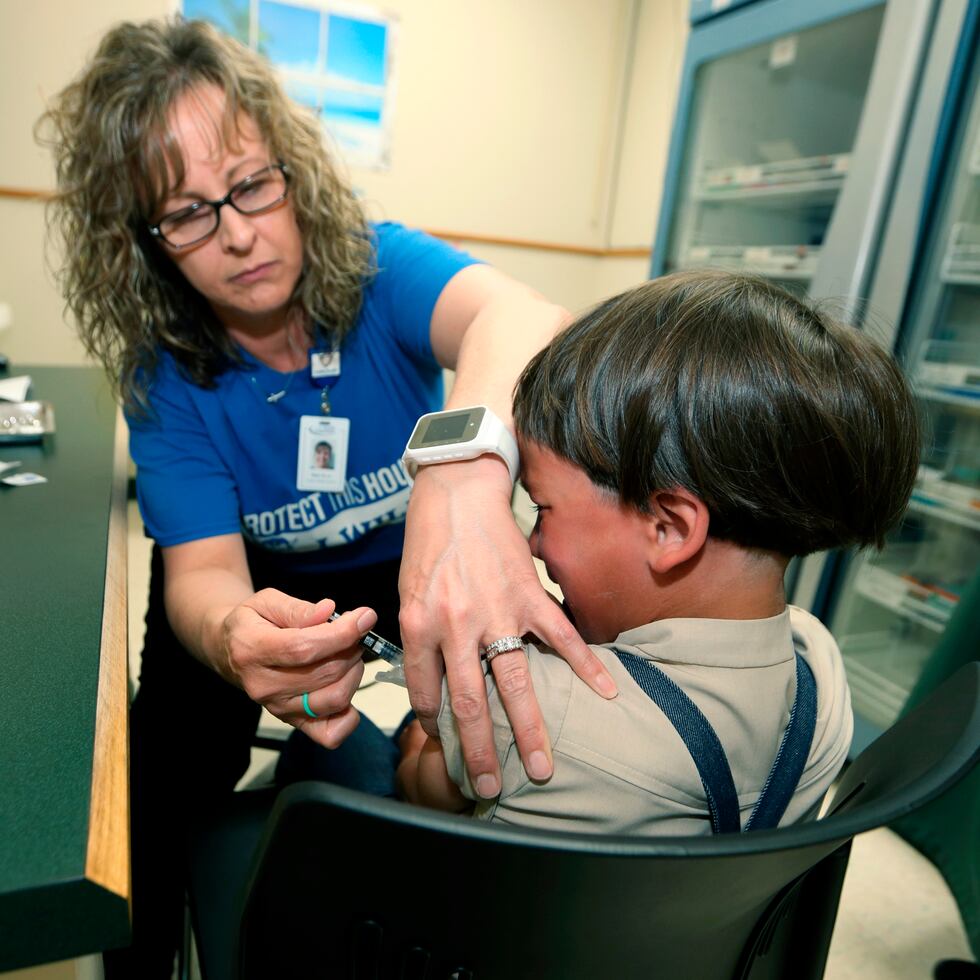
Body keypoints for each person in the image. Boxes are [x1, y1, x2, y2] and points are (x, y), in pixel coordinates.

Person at [37, 18, 615, 975]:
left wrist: (464, 476)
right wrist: (234, 637)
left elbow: (523, 315)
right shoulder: (166, 375)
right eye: (187, 213)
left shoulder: (379, 270)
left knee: (478, 753)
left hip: (408, 555)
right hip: (261, 584)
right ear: (143, 243)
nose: (238, 234)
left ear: (290, 168)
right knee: (164, 777)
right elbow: (204, 574)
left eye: (252, 184)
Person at [398, 271, 921, 834]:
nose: (531, 544)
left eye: (543, 509)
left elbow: (417, 790)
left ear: (669, 528)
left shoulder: (527, 719)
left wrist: (437, 722)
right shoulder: (819, 664)